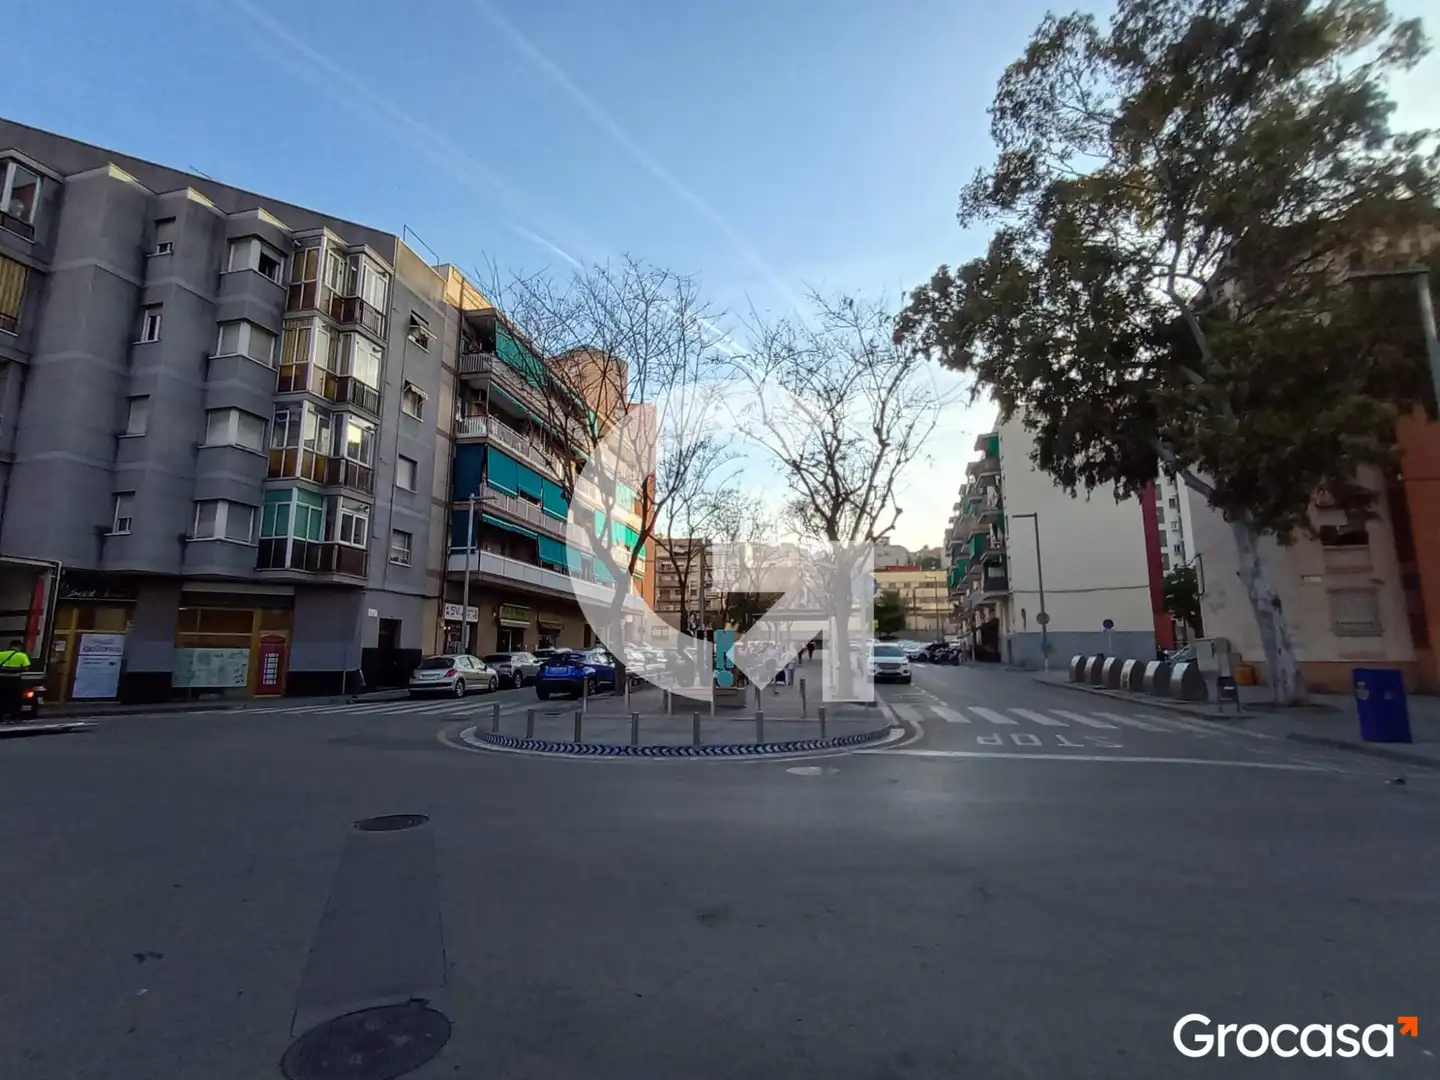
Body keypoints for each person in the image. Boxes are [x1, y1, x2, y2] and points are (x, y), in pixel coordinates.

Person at [0, 639, 32, 723]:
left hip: (1, 680)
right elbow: (26, 668)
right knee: (15, 699)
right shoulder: (22, 655)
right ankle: (14, 717)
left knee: (1, 697)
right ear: (19, 647)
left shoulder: (1, 654)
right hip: (15, 680)